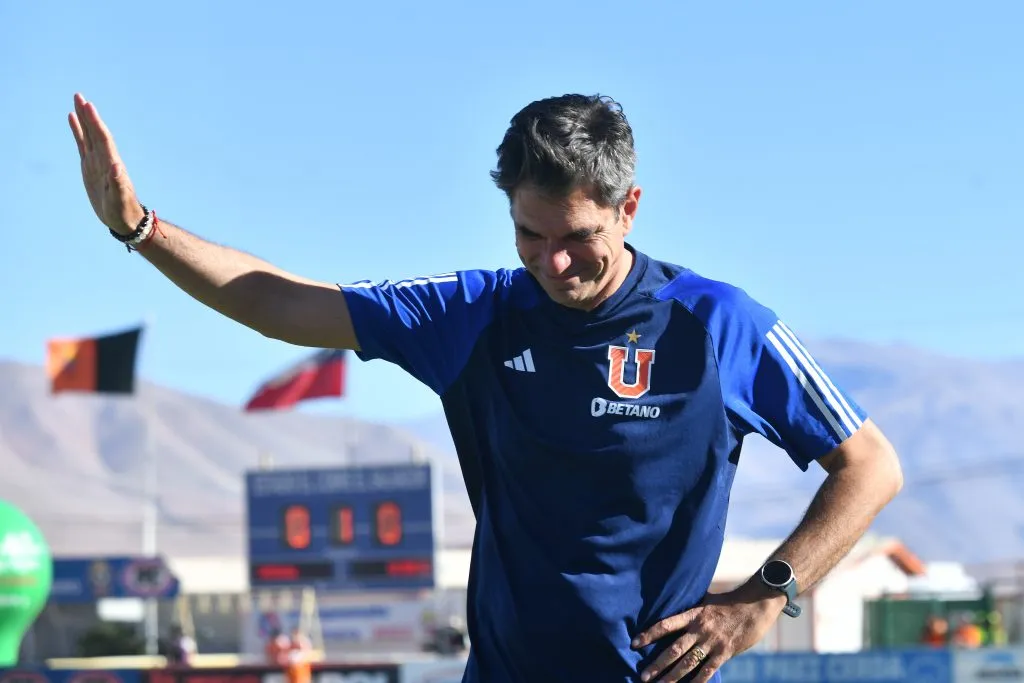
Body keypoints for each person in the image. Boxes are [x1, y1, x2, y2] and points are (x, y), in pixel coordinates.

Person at [67, 92, 903, 683]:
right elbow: (279, 301)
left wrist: (762, 599)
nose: (553, 263)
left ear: (630, 207)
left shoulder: (719, 324)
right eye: (529, 236)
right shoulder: (475, 313)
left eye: (577, 237)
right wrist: (139, 229)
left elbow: (869, 464)